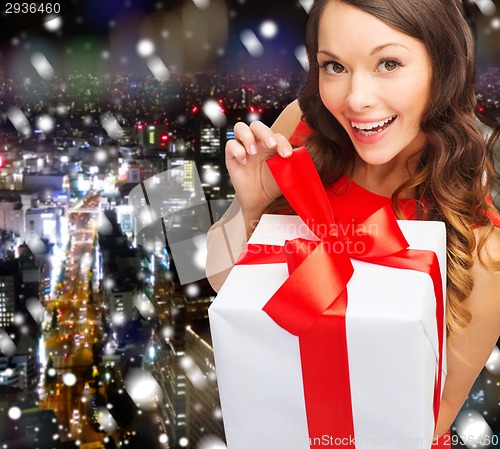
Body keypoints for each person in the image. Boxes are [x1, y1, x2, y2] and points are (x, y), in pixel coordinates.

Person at [206, 0, 500, 444]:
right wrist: (252, 206)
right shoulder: (299, 129)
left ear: (443, 68)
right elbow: (218, 278)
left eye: (388, 63)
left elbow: (427, 420)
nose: (356, 99)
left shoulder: (482, 249)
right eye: (334, 66)